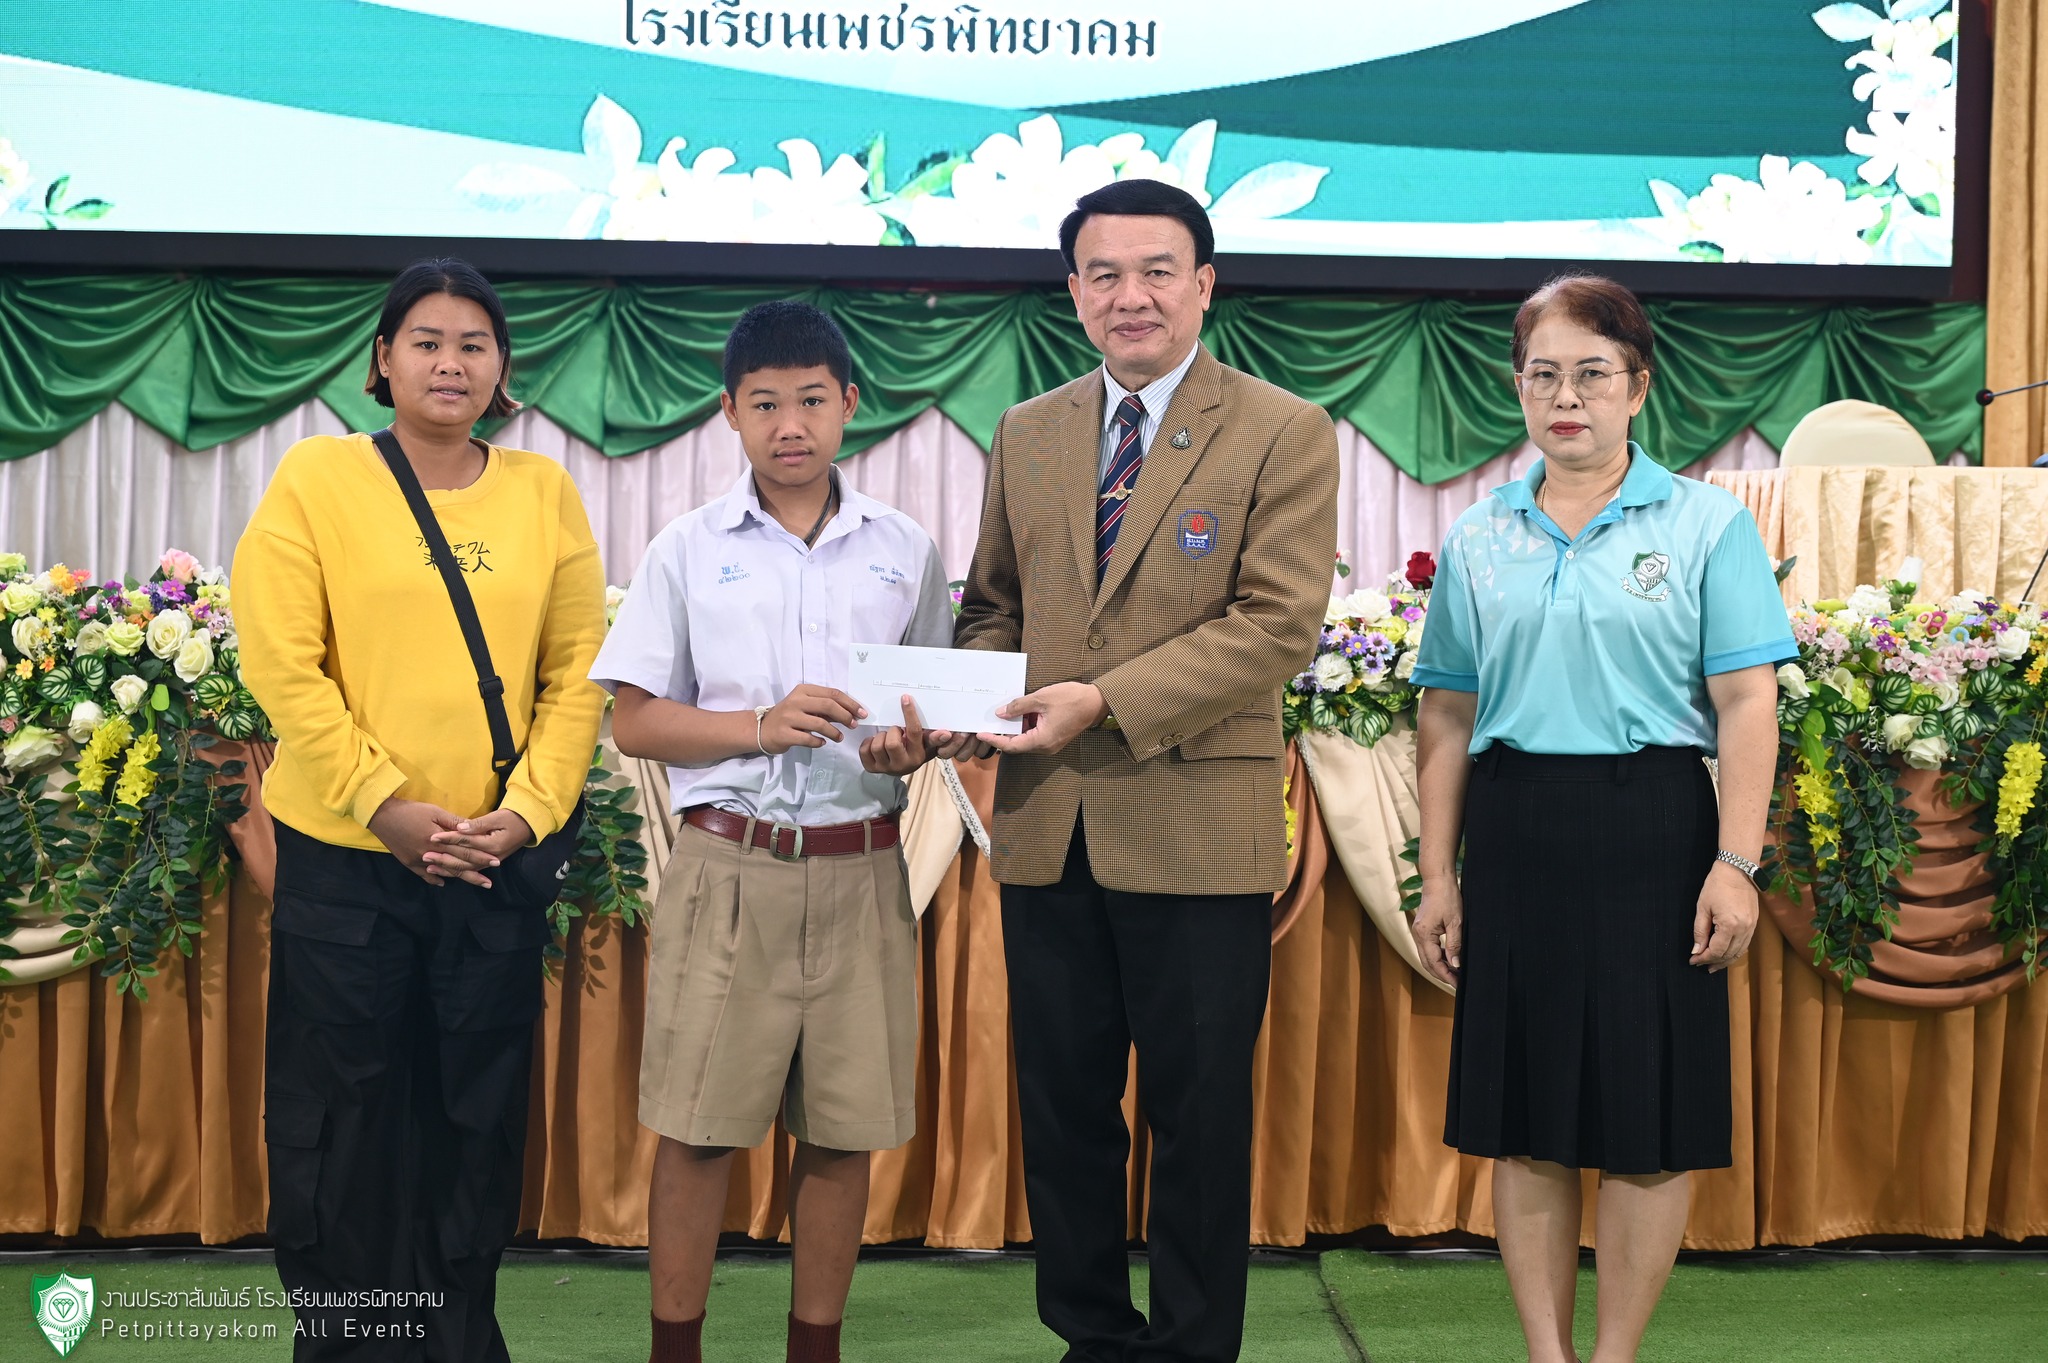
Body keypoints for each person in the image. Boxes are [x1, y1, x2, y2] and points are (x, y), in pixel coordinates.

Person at [951, 179, 1340, 1363]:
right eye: (1105, 274)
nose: (1132, 296)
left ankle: (1189, 1346)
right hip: (1045, 826)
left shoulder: (1281, 428)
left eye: (1157, 270)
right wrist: (966, 701)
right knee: (1062, 1110)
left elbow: (1276, 624)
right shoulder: (1027, 431)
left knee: (1198, 1117)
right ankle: (1088, 1337)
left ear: (1202, 285)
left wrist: (1104, 700)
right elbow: (992, 606)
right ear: (1072, 292)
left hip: (1196, 825)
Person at [1408, 274, 1793, 1363]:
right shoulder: (1479, 535)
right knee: (1523, 1120)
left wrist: (1734, 862)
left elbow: (1745, 702)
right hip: (1515, 827)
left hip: (1654, 830)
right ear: (1516, 387)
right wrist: (1438, 875)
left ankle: (1614, 1353)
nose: (1565, 397)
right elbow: (1446, 711)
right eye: (1543, 375)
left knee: (1645, 1120)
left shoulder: (1707, 523)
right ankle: (1547, 1351)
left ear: (1638, 386)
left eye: (1591, 374)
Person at [236, 258, 608, 1360]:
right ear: (383, 359)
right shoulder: (318, 476)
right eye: (428, 341)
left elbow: (578, 673)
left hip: (490, 865)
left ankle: (457, 1343)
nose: (452, 362)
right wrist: (382, 802)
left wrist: (526, 813)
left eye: (474, 344)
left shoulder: (543, 491)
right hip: (347, 866)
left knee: (474, 1126)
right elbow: (283, 662)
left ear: (502, 368)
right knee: (338, 1126)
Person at [592, 301, 954, 1363]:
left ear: (849, 404)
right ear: (729, 413)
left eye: (809, 401)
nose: (789, 425)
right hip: (729, 866)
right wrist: (757, 724)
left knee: (844, 1133)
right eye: (764, 405)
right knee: (698, 1129)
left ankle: (814, 1349)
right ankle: (675, 1350)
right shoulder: (686, 548)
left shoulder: (904, 549)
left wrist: (912, 747)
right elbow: (633, 720)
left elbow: (931, 712)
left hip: (863, 869)